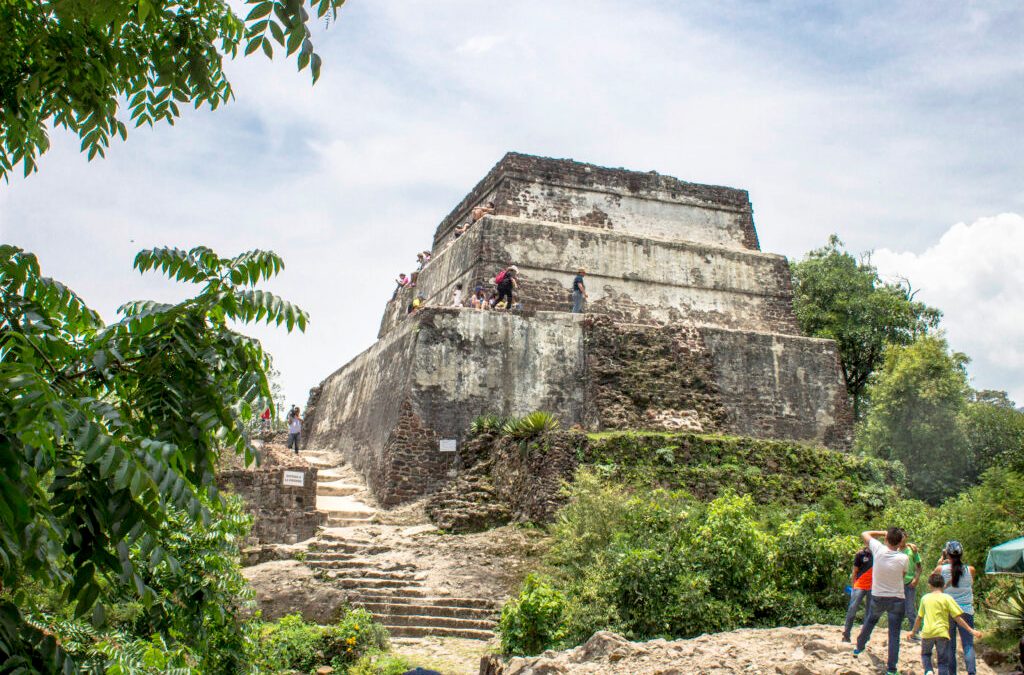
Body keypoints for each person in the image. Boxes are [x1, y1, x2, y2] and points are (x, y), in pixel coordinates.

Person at [854, 528, 910, 675]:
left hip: (878, 595)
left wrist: (881, 532)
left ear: (886, 539)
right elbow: (902, 575)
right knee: (894, 633)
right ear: (900, 542)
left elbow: (864, 533)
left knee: (870, 621)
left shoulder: (878, 549)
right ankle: (892, 669)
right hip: (897, 598)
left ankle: (859, 646)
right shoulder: (904, 558)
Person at [908, 572, 983, 675]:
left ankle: (929, 670)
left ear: (929, 585)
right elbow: (957, 617)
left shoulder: (925, 598)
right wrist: (971, 630)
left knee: (926, 654)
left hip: (927, 633)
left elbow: (919, 618)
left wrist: (913, 632)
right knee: (943, 662)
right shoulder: (947, 598)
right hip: (942, 633)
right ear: (943, 585)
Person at [936, 541, 978, 675]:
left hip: (948, 611)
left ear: (947, 554)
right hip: (966, 611)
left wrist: (940, 562)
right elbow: (970, 585)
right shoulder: (970, 570)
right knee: (968, 644)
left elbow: (933, 584)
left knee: (950, 647)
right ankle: (972, 672)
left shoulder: (941, 570)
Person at [843, 544, 874, 642]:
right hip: (860, 584)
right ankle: (846, 634)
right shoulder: (860, 554)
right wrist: (853, 587)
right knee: (852, 609)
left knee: (869, 612)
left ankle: (865, 637)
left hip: (873, 586)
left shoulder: (878, 554)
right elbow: (855, 571)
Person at [903, 539, 923, 637]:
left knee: (910, 609)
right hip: (896, 583)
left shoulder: (912, 550)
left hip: (909, 582)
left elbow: (919, 566)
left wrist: (916, 579)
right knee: (895, 608)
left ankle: (915, 632)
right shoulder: (895, 549)